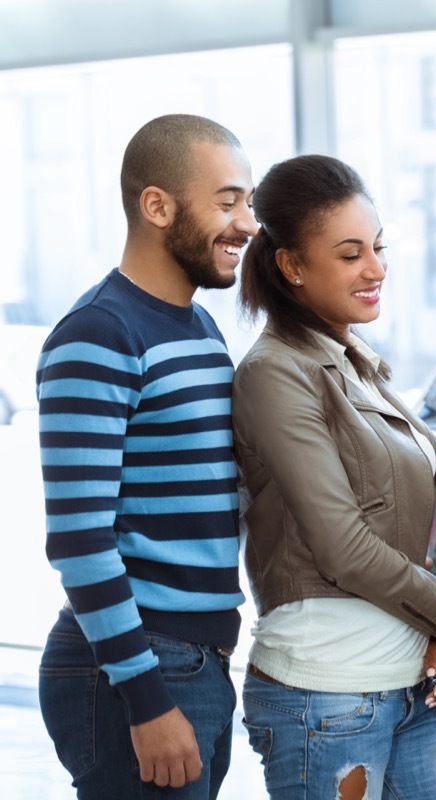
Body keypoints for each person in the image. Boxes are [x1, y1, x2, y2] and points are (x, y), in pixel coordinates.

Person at [232, 154, 436, 800]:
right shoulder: (274, 374)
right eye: (350, 255)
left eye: (376, 248)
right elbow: (341, 547)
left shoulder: (352, 364)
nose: (376, 269)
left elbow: (400, 528)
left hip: (408, 686)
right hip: (328, 699)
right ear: (291, 265)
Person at [36, 113, 257, 798]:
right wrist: (146, 698)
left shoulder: (198, 327)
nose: (248, 223)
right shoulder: (100, 332)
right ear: (157, 206)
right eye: (227, 202)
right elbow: (79, 542)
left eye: (246, 202)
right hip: (138, 668)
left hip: (200, 662)